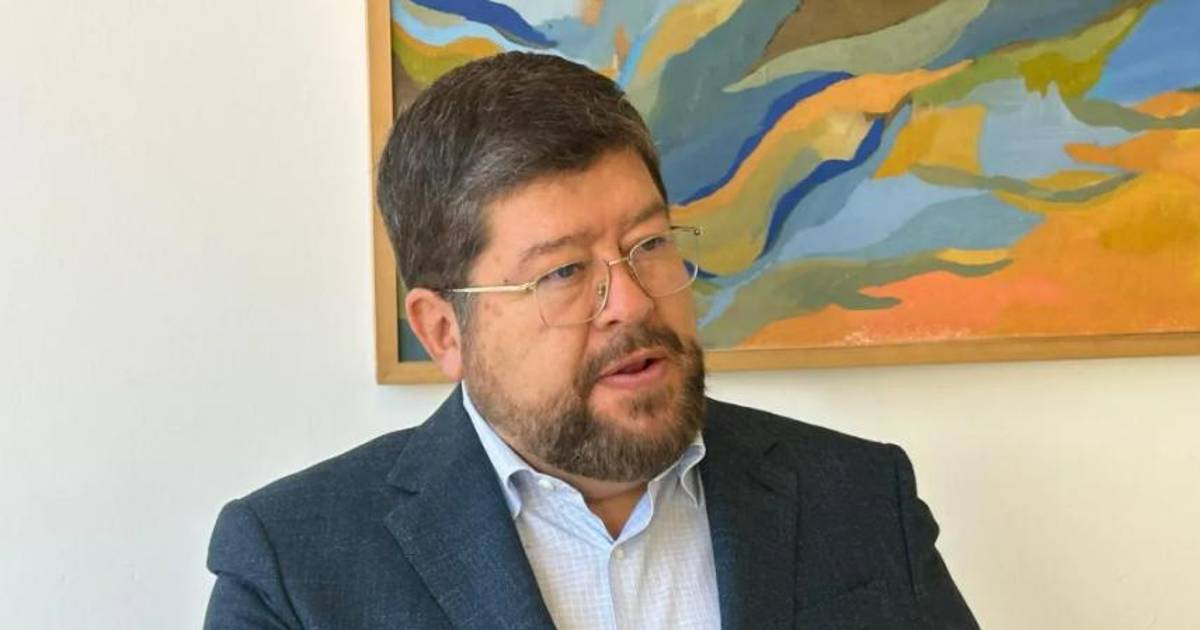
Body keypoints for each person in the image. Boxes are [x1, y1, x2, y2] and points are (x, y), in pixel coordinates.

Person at [204, 52, 978, 629]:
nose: (633, 302)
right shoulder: (294, 567)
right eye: (564, 272)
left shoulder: (859, 497)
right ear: (444, 330)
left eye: (650, 244)